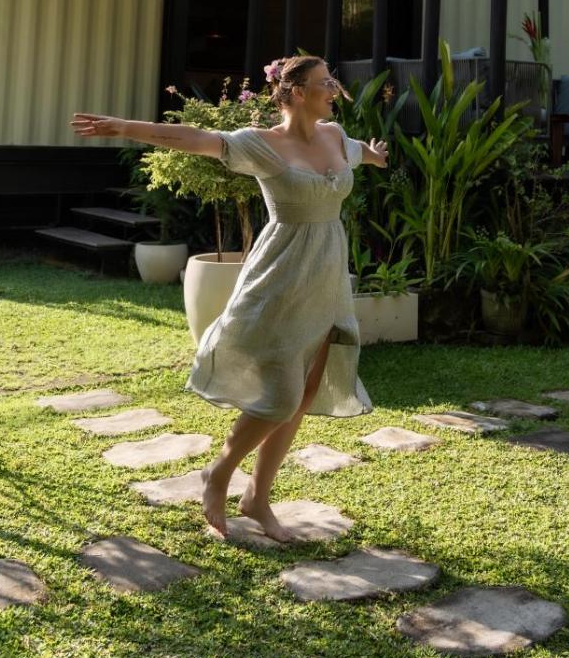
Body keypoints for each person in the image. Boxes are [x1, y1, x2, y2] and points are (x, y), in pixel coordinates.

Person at [71, 55, 387, 542]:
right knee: (281, 395)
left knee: (304, 393)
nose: (334, 90)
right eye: (325, 82)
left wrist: (376, 155)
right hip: (280, 278)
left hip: (326, 280)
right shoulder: (262, 144)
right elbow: (193, 138)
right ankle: (218, 474)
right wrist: (124, 127)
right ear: (296, 92)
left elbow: (358, 152)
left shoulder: (335, 136)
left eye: (332, 81)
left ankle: (258, 497)